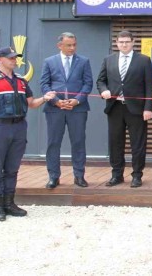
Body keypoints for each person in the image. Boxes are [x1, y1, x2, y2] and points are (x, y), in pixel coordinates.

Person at [0, 47, 56, 221]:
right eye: (10, 58)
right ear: (0, 59)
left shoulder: (21, 82)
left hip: (18, 127)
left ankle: (9, 203)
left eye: (15, 58)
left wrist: (46, 97)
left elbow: (31, 103)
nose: (14, 60)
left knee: (12, 168)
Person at [96, 31, 152, 188]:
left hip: (136, 109)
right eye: (121, 42)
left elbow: (149, 85)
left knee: (138, 144)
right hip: (114, 107)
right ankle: (117, 174)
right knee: (115, 142)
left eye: (127, 42)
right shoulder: (109, 60)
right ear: (116, 42)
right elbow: (101, 80)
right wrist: (103, 91)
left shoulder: (143, 60)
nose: (124, 44)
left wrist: (148, 108)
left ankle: (137, 175)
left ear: (133, 42)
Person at [40, 32, 93, 189]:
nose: (72, 48)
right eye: (69, 45)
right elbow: (44, 84)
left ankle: (79, 176)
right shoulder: (49, 61)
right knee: (53, 143)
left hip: (77, 109)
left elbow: (87, 84)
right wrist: (56, 101)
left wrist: (76, 100)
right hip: (55, 109)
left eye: (74, 45)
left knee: (78, 142)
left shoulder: (84, 61)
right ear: (59, 45)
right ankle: (53, 177)